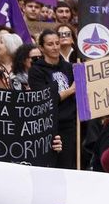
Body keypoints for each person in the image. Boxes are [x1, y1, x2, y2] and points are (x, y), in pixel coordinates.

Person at [29, 30, 78, 169]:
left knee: (69, 164)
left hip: (70, 124)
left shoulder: (69, 67)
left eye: (57, 43)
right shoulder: (36, 71)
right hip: (49, 126)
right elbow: (45, 99)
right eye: (50, 44)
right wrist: (70, 90)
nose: (55, 47)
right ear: (41, 48)